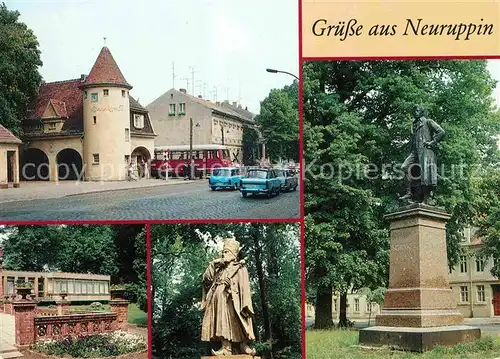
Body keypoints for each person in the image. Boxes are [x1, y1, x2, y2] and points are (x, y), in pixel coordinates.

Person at [201, 238, 256, 356]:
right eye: (223, 252)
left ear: (233, 254)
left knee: (239, 320)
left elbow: (244, 287)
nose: (223, 254)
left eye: (226, 252)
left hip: (234, 300)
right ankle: (226, 348)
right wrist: (213, 264)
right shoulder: (218, 268)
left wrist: (230, 285)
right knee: (222, 322)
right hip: (218, 301)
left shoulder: (240, 268)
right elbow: (206, 280)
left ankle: (243, 345)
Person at [399, 105, 445, 204]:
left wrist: (432, 142)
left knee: (425, 175)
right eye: (414, 110)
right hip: (414, 152)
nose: (415, 112)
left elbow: (441, 132)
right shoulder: (414, 125)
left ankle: (426, 198)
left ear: (421, 112)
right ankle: (409, 193)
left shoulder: (428, 122)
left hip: (425, 152)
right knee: (404, 167)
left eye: (417, 110)